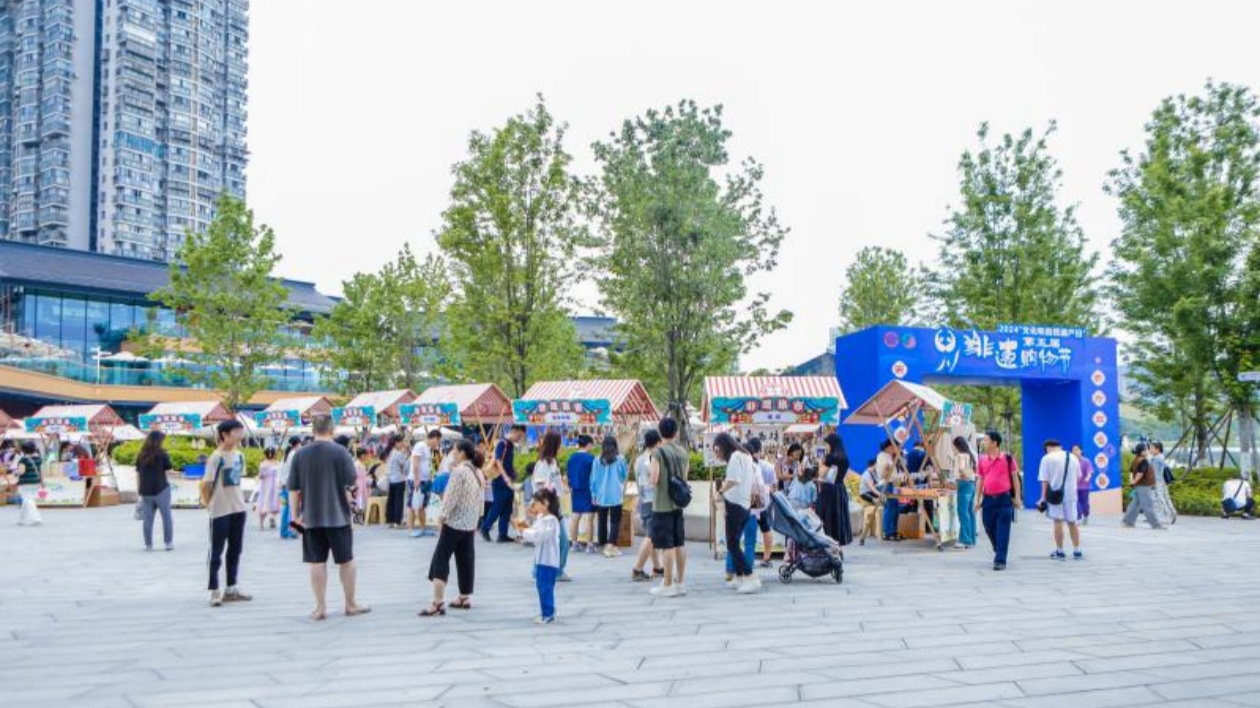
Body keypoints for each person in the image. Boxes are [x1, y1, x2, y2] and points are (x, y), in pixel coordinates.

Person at [288, 415, 371, 621]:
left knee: (317, 562)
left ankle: (320, 607)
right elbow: (351, 482)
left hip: (311, 518)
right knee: (347, 561)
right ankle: (350, 604)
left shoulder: (300, 454)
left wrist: (294, 516)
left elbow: (293, 489)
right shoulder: (341, 452)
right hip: (338, 517)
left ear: (313, 429)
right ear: (332, 429)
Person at [421, 438, 485, 617]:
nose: (452, 454)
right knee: (466, 560)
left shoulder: (459, 472)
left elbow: (450, 498)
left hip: (454, 522)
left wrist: (442, 517)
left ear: (462, 453)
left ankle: (437, 601)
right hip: (469, 523)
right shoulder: (477, 471)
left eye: (455, 451)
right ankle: (464, 597)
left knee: (440, 559)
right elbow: (479, 499)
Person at [202, 420, 252, 606]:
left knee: (235, 550)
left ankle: (231, 588)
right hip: (220, 510)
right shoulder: (216, 457)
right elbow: (207, 484)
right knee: (216, 551)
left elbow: (238, 480)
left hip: (238, 508)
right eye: (236, 432)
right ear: (224, 434)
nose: (240, 435)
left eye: (241, 431)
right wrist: (209, 504)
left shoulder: (239, 455)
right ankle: (214, 590)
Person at [714, 433, 761, 594]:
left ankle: (750, 576)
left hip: (734, 504)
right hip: (745, 504)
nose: (716, 453)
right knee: (735, 542)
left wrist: (720, 491)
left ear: (723, 446)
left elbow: (733, 480)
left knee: (732, 544)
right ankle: (739, 577)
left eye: (717, 449)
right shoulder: (746, 455)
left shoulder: (735, 457)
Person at [649, 417, 689, 598]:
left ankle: (667, 584)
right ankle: (680, 583)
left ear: (660, 432)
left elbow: (654, 479)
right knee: (679, 543)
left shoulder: (657, 453)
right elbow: (685, 478)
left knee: (667, 546)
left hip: (662, 505)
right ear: (676, 432)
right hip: (678, 505)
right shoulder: (682, 452)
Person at [516, 487, 562, 624]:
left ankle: (548, 613)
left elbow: (539, 536)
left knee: (545, 587)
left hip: (548, 561)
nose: (534, 506)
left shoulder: (551, 520)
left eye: (536, 503)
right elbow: (534, 531)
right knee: (542, 586)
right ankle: (548, 610)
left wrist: (524, 532)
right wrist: (524, 530)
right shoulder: (543, 518)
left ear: (546, 503)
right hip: (542, 560)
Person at [977, 431, 1021, 571]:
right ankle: (999, 547)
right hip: (988, 499)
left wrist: (1018, 497)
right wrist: (977, 499)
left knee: (1003, 529)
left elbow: (1015, 479)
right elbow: (980, 480)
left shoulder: (1008, 459)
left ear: (994, 443)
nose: (983, 443)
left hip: (1004, 499)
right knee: (988, 526)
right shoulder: (982, 460)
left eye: (986, 440)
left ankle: (1000, 559)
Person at [1037, 439, 1084, 560]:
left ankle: (1060, 551)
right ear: (1060, 446)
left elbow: (1044, 480)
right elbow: (1079, 477)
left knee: (1058, 521)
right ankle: (1077, 550)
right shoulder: (1073, 457)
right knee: (1072, 522)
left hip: (1055, 495)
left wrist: (1042, 498)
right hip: (1071, 495)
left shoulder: (1047, 458)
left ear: (1047, 448)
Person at [532, 431, 571, 581]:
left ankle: (553, 570)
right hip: (547, 508)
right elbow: (541, 486)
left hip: (554, 506)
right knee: (554, 541)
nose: (562, 447)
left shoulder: (553, 462)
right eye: (560, 444)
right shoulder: (543, 464)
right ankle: (548, 571)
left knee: (558, 541)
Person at [481, 425, 524, 543]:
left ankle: (502, 534)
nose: (519, 438)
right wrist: (505, 477)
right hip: (500, 480)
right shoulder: (502, 443)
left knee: (507, 507)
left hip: (508, 480)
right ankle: (485, 528)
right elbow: (498, 461)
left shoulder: (510, 445)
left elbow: (506, 462)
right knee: (498, 505)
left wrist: (513, 472)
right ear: (513, 431)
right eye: (519, 436)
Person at [631, 430, 663, 581]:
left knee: (650, 535)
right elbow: (655, 478)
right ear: (657, 442)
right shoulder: (652, 458)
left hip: (644, 499)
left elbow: (638, 481)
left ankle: (657, 567)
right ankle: (637, 569)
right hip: (653, 500)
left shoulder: (639, 459)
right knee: (651, 536)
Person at [135, 430, 175, 551]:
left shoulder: (141, 454)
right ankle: (168, 543)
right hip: (161, 488)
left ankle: (148, 545)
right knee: (166, 517)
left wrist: (139, 490)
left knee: (148, 519)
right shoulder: (162, 454)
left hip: (146, 491)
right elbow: (169, 469)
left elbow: (138, 473)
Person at [592, 435, 629, 558]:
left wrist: (593, 494)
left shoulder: (597, 460)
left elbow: (593, 479)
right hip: (616, 495)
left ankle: (602, 543)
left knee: (601, 520)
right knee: (615, 521)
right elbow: (624, 475)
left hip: (601, 495)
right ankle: (611, 545)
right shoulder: (620, 459)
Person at [748, 438, 778, 568]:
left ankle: (750, 557)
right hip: (764, 502)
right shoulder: (768, 466)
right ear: (760, 451)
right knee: (766, 528)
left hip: (751, 501)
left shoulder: (748, 464)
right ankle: (767, 557)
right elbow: (774, 486)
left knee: (751, 528)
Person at [1122, 443, 1164, 530]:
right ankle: (1156, 525)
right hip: (1144, 486)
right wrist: (1134, 481)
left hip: (1139, 485)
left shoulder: (1135, 460)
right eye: (1146, 449)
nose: (1148, 451)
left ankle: (1128, 522)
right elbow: (1140, 473)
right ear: (1142, 452)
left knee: (1134, 504)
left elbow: (1131, 472)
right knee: (1148, 505)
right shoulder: (1143, 461)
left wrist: (1132, 481)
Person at [566, 435, 596, 552]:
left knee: (575, 516)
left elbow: (568, 474)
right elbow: (595, 476)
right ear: (588, 444)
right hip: (588, 490)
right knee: (589, 517)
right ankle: (589, 545)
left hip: (576, 489)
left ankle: (574, 544)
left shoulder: (571, 457)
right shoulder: (591, 458)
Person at [409, 430, 440, 538]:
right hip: (417, 480)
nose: (437, 444)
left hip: (426, 480)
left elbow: (426, 464)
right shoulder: (420, 446)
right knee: (412, 505)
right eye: (437, 441)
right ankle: (411, 529)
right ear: (434, 438)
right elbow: (415, 462)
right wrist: (417, 479)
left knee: (422, 506)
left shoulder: (427, 448)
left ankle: (423, 528)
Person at [877, 439, 905, 542]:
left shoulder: (889, 456)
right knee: (890, 507)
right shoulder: (882, 456)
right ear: (889, 446)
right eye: (896, 447)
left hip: (892, 484)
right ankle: (887, 532)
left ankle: (893, 531)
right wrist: (887, 467)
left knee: (895, 508)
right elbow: (882, 474)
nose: (897, 449)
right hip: (885, 484)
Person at [953, 437, 978, 549]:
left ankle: (965, 539)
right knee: (970, 512)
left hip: (964, 484)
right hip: (971, 484)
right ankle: (971, 538)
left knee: (963, 512)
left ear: (957, 446)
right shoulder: (970, 455)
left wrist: (960, 475)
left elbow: (962, 470)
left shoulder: (960, 456)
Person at [278, 436, 303, 540]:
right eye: (300, 444)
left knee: (286, 509)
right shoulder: (293, 455)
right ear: (297, 444)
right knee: (291, 510)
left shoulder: (285, 455)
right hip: (291, 486)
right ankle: (289, 531)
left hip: (284, 485)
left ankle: (285, 531)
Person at [14, 441, 43, 526]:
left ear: (24, 450)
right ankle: (21, 519)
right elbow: (41, 471)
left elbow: (21, 471)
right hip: (36, 482)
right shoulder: (38, 458)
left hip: (25, 482)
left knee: (28, 500)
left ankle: (36, 518)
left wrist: (15, 472)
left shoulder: (23, 459)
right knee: (27, 500)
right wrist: (42, 481)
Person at [383, 434, 409, 529]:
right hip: (399, 479)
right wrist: (406, 454)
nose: (403, 444)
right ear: (397, 443)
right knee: (398, 501)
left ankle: (391, 521)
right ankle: (397, 522)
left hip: (391, 479)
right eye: (402, 442)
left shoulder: (390, 452)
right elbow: (405, 466)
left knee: (392, 500)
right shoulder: (398, 454)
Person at [856, 458, 881, 546]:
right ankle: (878, 530)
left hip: (872, 492)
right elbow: (872, 488)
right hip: (865, 493)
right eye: (877, 464)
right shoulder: (867, 474)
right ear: (874, 464)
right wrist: (880, 494)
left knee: (882, 502)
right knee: (879, 503)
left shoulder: (875, 473)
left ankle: (877, 529)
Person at [255, 447, 281, 531]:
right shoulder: (277, 463)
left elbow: (260, 476)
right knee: (274, 502)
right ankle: (272, 518)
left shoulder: (263, 464)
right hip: (275, 485)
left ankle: (262, 524)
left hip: (266, 485)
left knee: (264, 502)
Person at [1071, 444, 1094, 526]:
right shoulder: (1071, 461)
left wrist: (1088, 477)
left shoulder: (1086, 461)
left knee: (1084, 503)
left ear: (1081, 451)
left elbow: (1090, 472)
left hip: (1084, 486)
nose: (1075, 451)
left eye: (1077, 449)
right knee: (1076, 502)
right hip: (1073, 486)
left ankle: (1086, 515)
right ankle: (1078, 518)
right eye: (1073, 450)